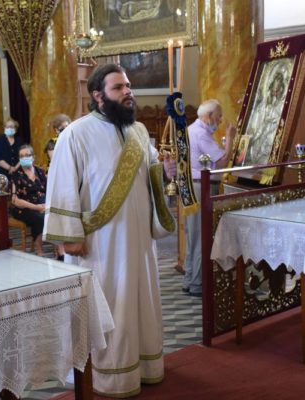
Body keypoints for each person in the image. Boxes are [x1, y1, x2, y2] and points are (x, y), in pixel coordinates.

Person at [43, 63, 176, 397]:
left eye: (128, 86)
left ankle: (144, 367)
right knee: (109, 307)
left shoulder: (139, 132)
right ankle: (108, 377)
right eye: (119, 87)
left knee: (141, 302)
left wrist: (165, 172)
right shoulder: (76, 134)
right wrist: (69, 237)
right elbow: (61, 187)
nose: (128, 92)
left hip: (139, 241)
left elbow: (149, 175)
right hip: (100, 243)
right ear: (98, 95)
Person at [184, 99, 235, 297]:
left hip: (192, 186)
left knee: (192, 235)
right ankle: (197, 283)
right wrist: (230, 138)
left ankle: (190, 279)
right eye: (219, 116)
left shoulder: (191, 129)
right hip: (201, 187)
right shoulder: (201, 134)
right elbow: (222, 162)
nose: (220, 120)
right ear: (208, 116)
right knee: (200, 236)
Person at [11, 145, 47, 256]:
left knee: (56, 214)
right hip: (24, 208)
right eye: (21, 156)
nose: (24, 158)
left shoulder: (40, 172)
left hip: (43, 205)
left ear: (33, 157)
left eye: (27, 155)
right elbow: (15, 201)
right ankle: (39, 249)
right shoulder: (16, 175)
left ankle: (61, 251)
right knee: (39, 218)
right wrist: (36, 207)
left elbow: (49, 191)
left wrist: (46, 205)